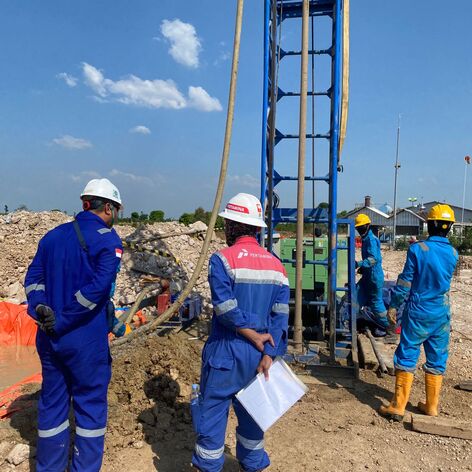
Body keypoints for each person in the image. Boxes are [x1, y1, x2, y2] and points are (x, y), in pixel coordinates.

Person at [24, 178, 125, 471]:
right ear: (109, 208)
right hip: (85, 341)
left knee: (52, 405)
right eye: (116, 210)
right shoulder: (108, 240)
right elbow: (98, 289)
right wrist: (64, 319)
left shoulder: (52, 237)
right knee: (90, 408)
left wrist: (40, 307)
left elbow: (33, 280)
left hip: (49, 338)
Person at [191, 193, 290, 472]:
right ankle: (253, 465)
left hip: (226, 352)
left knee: (212, 416)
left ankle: (209, 465)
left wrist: (251, 332)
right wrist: (269, 353)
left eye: (227, 224)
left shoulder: (222, 260)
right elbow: (280, 318)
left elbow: (225, 309)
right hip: (260, 357)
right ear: (257, 228)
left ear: (233, 226)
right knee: (253, 420)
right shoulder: (277, 266)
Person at [379, 204, 458, 421]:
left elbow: (405, 282)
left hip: (419, 312)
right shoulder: (453, 253)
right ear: (450, 227)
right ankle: (431, 406)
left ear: (429, 224)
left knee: (407, 353)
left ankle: (398, 406)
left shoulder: (418, 249)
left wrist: (394, 305)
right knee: (437, 357)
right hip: (441, 313)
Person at [355, 214, 390, 331]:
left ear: (367, 226)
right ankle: (349, 320)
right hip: (368, 275)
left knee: (376, 303)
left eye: (361, 227)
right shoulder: (366, 239)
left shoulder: (371, 239)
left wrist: (359, 264)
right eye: (358, 228)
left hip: (374, 277)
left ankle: (389, 326)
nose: (359, 230)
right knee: (356, 295)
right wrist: (363, 268)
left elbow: (373, 259)